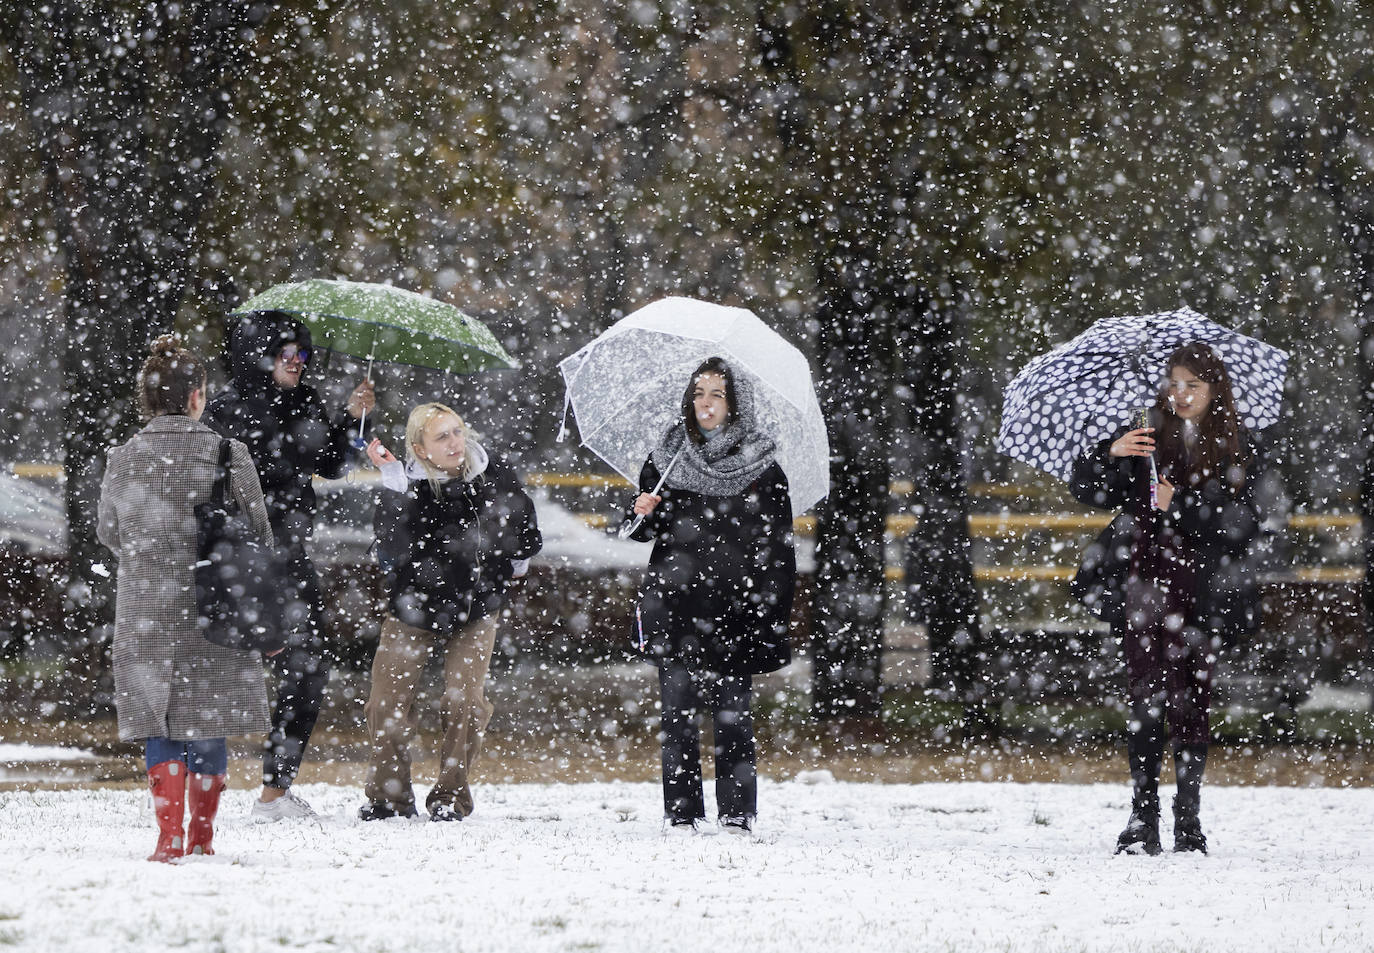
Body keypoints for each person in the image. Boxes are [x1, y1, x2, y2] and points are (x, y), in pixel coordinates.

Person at [1070, 341, 1265, 856]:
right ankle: (1142, 816)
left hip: (1202, 587)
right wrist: (1107, 456)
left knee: (1192, 698)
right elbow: (1092, 493)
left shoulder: (1237, 445)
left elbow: (1241, 525)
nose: (1180, 395)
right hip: (1144, 581)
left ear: (1213, 389)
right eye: (1173, 384)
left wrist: (1184, 505)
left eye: (1192, 387)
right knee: (1145, 694)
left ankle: (1189, 818)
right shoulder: (1145, 434)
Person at [97, 335, 273, 862]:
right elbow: (259, 531)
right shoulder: (228, 452)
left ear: (146, 400)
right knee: (208, 714)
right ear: (197, 396)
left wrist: (154, 543)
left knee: (159, 714)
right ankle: (202, 834)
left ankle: (168, 836)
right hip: (214, 602)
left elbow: (109, 531)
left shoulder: (125, 457)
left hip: (146, 604)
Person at [204, 310, 376, 820]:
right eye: (287, 354)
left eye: (303, 354)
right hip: (237, 555)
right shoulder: (230, 409)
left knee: (310, 663)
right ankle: (193, 782)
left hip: (289, 554)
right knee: (219, 667)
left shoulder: (302, 399)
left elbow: (332, 464)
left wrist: (352, 419)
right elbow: (263, 467)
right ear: (259, 355)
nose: (299, 363)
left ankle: (275, 792)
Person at [627, 356, 796, 835]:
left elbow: (779, 550)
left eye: (717, 394)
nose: (705, 403)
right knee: (677, 711)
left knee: (732, 715)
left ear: (734, 404)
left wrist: (772, 610)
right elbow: (639, 533)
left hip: (737, 605)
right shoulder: (668, 458)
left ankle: (738, 811)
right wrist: (641, 510)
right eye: (699, 393)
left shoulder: (764, 469)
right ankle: (681, 812)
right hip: (675, 602)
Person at [358, 402, 541, 822]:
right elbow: (390, 548)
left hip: (476, 607)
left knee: (465, 703)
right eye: (442, 437)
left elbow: (525, 532)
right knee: (384, 703)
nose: (455, 442)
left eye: (457, 431)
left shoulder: (494, 474)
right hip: (413, 609)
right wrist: (392, 483)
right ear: (420, 449)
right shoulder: (405, 483)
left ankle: (449, 797)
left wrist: (512, 562)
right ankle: (389, 797)